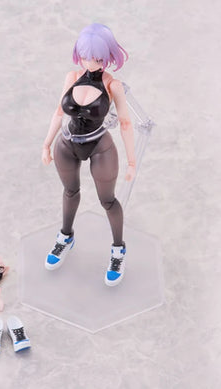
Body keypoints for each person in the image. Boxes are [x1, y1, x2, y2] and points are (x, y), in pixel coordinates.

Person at [41, 23, 136, 286]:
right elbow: (58, 113)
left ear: (106, 56)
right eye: (85, 56)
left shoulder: (113, 85)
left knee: (108, 200)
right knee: (70, 191)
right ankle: (65, 237)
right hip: (67, 143)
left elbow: (125, 123)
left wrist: (131, 161)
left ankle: (118, 250)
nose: (90, 62)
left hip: (99, 145)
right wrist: (46, 144)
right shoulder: (72, 77)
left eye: (96, 57)